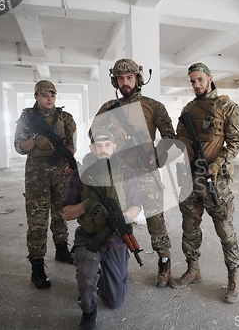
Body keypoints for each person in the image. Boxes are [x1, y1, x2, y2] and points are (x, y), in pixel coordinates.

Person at [92, 58, 175, 288]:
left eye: (129, 78)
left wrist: (158, 154)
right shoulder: (109, 108)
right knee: (118, 219)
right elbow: (93, 130)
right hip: (118, 173)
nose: (125, 82)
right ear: (115, 81)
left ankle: (164, 261)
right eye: (120, 79)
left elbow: (169, 135)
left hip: (145, 171)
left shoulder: (152, 105)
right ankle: (117, 264)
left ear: (137, 78)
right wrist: (110, 127)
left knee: (155, 218)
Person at [170, 63, 239, 304]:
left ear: (210, 78)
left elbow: (235, 142)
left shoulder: (227, 106)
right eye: (192, 81)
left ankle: (233, 278)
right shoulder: (188, 109)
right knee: (189, 226)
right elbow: (180, 137)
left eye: (200, 79)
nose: (196, 85)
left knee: (224, 229)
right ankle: (193, 270)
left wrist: (218, 162)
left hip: (215, 179)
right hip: (190, 177)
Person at [62, 130, 141, 330]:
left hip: (115, 240)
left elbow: (136, 206)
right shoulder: (80, 175)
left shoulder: (126, 172)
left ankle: (111, 274)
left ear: (114, 147)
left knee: (115, 302)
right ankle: (88, 310)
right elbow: (66, 213)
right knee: (88, 279)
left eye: (107, 145)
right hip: (88, 237)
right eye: (98, 145)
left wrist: (121, 218)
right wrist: (85, 205)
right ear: (92, 148)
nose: (103, 149)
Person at [14, 80, 76, 290]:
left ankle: (61, 249)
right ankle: (37, 266)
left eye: (52, 94)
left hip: (61, 172)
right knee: (38, 219)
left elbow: (71, 146)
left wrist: (68, 161)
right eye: (44, 94)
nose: (49, 98)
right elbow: (19, 146)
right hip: (36, 175)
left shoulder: (65, 117)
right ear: (36, 97)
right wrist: (35, 139)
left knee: (61, 213)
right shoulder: (27, 118)